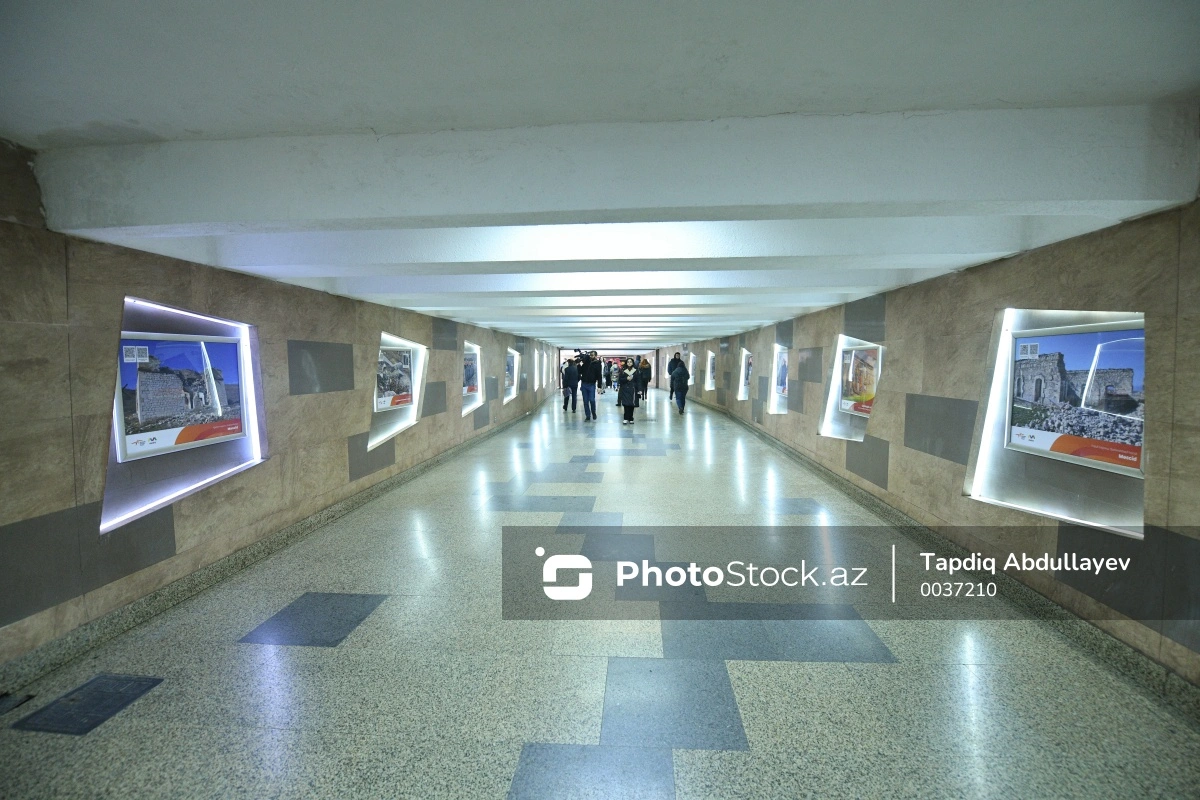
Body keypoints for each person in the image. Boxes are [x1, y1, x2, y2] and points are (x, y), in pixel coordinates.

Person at [579, 350, 602, 421]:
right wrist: (579, 364)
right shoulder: (586, 362)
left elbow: (599, 375)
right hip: (584, 384)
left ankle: (593, 412)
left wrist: (599, 386)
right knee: (585, 401)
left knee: (592, 400)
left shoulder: (597, 364)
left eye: (592, 355)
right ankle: (588, 416)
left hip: (592, 384)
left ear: (595, 356)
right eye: (590, 355)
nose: (591, 356)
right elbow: (580, 371)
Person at [618, 357, 641, 424]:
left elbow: (639, 381)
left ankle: (631, 417)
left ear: (632, 363)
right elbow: (620, 380)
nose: (629, 363)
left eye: (630, 362)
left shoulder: (636, 371)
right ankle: (625, 418)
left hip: (633, 390)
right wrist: (626, 379)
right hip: (625, 389)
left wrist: (639, 389)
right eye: (628, 362)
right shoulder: (623, 370)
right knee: (625, 404)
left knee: (632, 404)